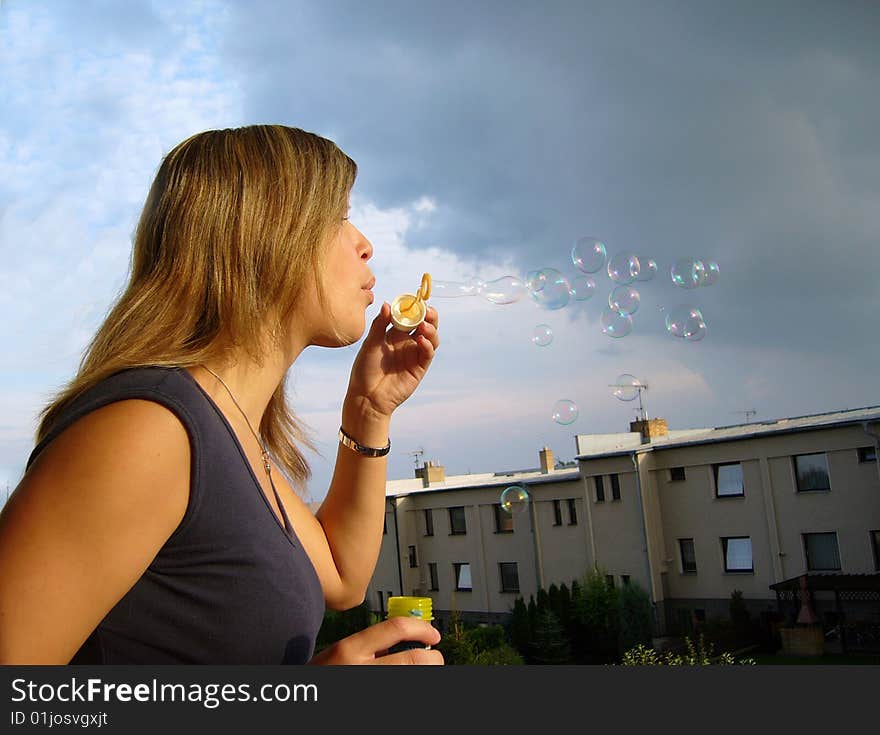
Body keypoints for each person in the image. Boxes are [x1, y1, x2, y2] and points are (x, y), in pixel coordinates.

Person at [0, 125, 443, 665]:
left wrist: (369, 410)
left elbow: (342, 576)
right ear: (263, 236)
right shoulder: (148, 429)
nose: (364, 243)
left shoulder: (225, 430)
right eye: (337, 216)